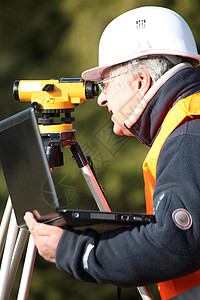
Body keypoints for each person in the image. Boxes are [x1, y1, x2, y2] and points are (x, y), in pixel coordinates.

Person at [24, 6, 200, 300]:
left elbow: (176, 240)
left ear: (140, 82)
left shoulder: (187, 135)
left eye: (105, 85)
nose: (102, 98)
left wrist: (73, 251)